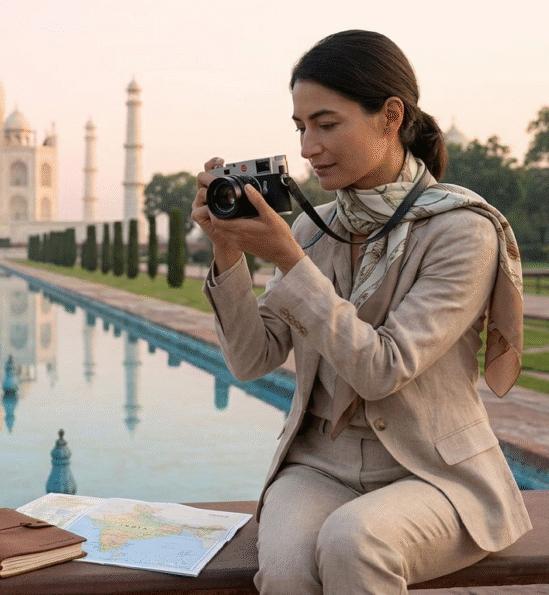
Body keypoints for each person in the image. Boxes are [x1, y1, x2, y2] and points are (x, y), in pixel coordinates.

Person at [192, 30, 530, 594]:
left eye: (326, 124)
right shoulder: (311, 228)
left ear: (389, 116)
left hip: (435, 472)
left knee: (355, 540)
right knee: (288, 569)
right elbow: (252, 361)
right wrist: (227, 249)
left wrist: (288, 260)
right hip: (320, 465)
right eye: (301, 128)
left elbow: (384, 368)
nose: (307, 147)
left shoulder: (461, 231)